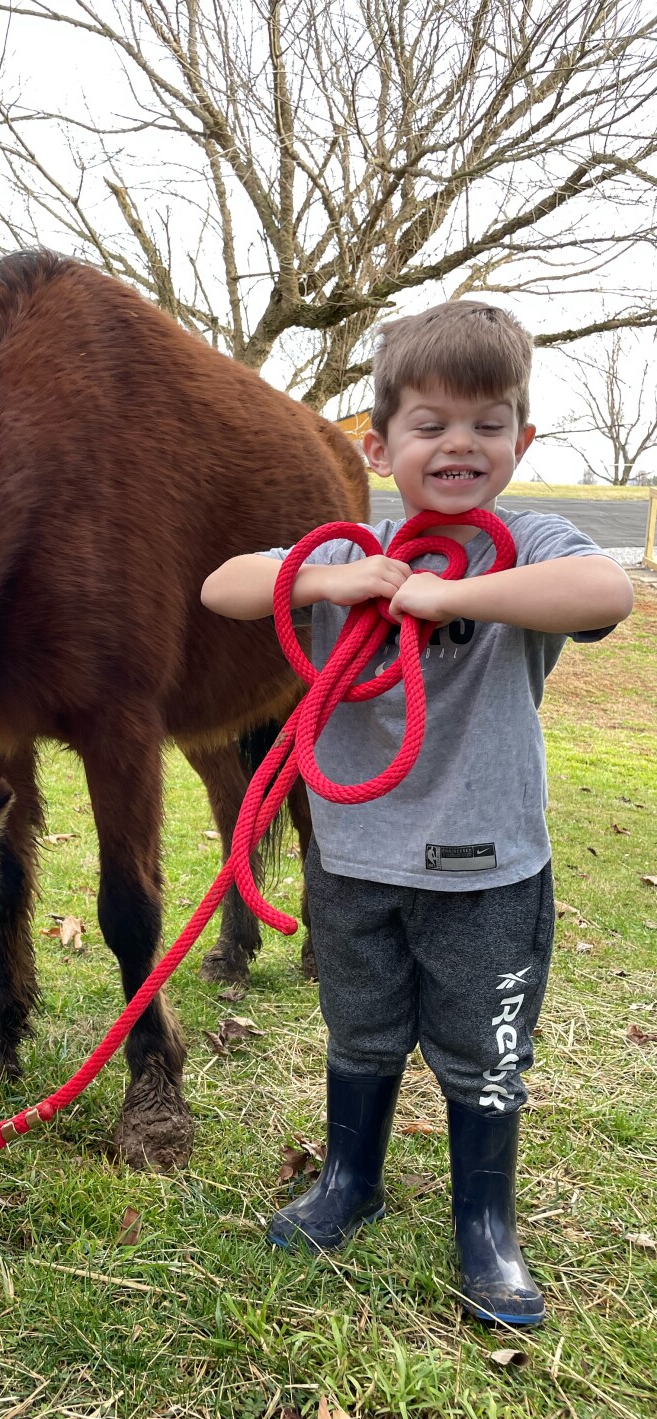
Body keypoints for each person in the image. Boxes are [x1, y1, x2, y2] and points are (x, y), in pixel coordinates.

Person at [200, 302, 634, 1326]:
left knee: (484, 1053)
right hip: (355, 860)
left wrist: (452, 601)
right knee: (361, 1032)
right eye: (431, 423)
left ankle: (486, 1224)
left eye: (489, 424)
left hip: (488, 871)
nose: (459, 445)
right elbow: (223, 585)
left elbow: (604, 587)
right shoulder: (358, 547)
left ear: (520, 443)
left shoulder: (522, 542)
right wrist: (337, 577)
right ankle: (352, 1181)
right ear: (378, 444)